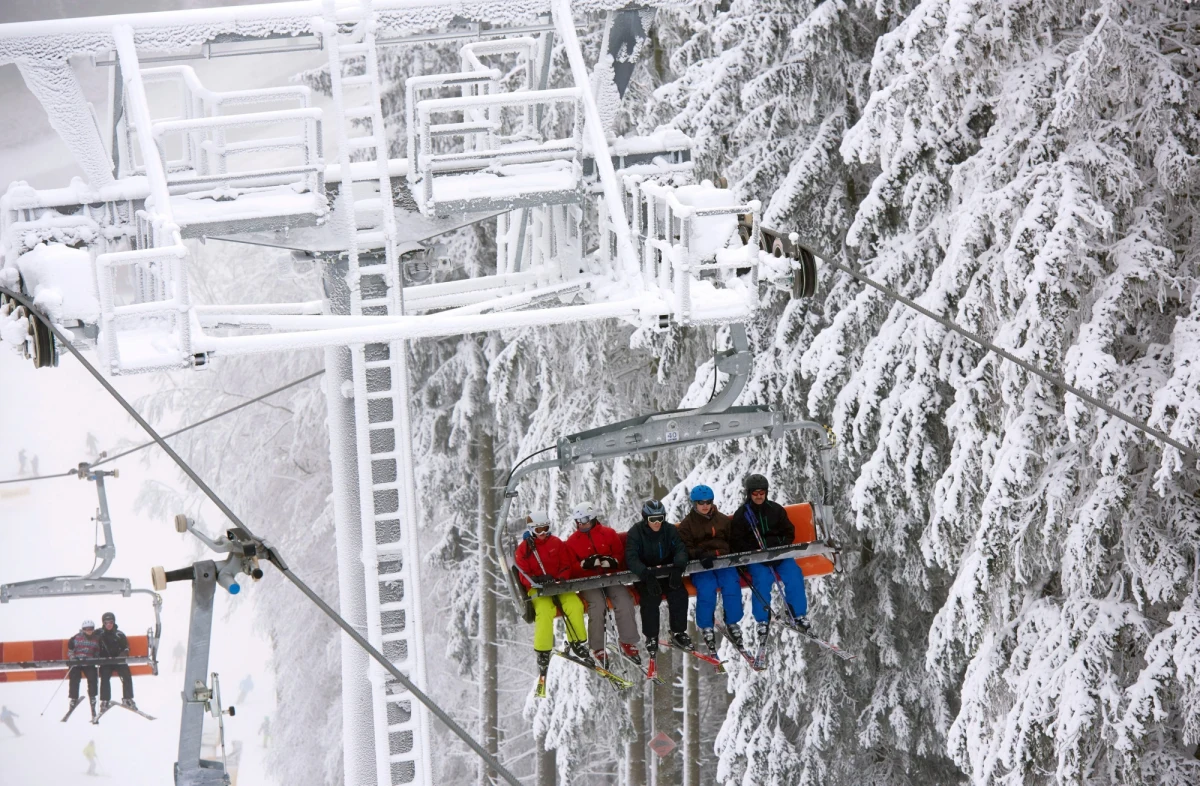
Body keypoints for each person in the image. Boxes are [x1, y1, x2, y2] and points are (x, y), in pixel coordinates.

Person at [730, 473, 809, 645]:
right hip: (757, 558)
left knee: (794, 573)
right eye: (755, 493)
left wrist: (777, 545)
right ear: (749, 494)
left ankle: (797, 613)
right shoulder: (743, 514)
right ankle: (762, 619)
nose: (759, 496)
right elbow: (737, 541)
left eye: (761, 492)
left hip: (779, 554)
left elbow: (789, 532)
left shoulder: (775, 509)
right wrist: (755, 551)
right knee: (762, 579)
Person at [513, 512, 592, 673]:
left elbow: (566, 564)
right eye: (538, 530)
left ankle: (577, 641)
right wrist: (538, 580)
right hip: (538, 588)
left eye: (545, 529)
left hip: (557, 585)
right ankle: (543, 651)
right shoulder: (524, 549)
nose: (542, 533)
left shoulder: (556, 543)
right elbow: (523, 575)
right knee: (544, 610)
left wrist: (561, 577)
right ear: (531, 530)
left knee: (574, 604)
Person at [564, 502, 642, 664]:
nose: (581, 524)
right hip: (588, 582)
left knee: (623, 600)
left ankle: (628, 640)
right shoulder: (572, 542)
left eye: (584, 520)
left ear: (593, 518)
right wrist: (584, 565)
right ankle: (598, 646)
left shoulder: (608, 533)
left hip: (610, 577)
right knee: (597, 605)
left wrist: (612, 562)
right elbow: (570, 568)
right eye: (578, 521)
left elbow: (620, 554)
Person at [676, 485, 746, 654]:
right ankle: (706, 625)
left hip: (722, 561)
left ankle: (732, 621)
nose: (705, 505)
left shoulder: (721, 520)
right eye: (701, 503)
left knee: (731, 583)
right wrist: (699, 554)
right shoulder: (687, 525)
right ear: (694, 504)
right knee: (707, 587)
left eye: (708, 502)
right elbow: (684, 549)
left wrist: (729, 555)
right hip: (701, 565)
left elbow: (732, 542)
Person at [625, 499, 691, 653]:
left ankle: (678, 632)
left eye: (660, 518)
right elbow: (631, 557)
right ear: (645, 519)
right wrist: (645, 575)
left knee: (679, 594)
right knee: (650, 599)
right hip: (646, 575)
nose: (657, 523)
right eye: (653, 519)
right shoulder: (636, 533)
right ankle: (651, 636)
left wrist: (678, 567)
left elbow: (680, 549)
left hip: (668, 573)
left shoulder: (669, 530)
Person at [97, 611, 136, 710]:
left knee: (126, 674)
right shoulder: (99, 634)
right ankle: (105, 700)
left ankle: (127, 698)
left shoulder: (119, 634)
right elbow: (88, 637)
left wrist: (122, 654)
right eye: (106, 623)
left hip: (118, 661)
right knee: (105, 676)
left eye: (111, 622)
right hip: (106, 661)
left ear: (113, 622)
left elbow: (126, 648)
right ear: (103, 623)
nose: (109, 625)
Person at [67, 619, 101, 718]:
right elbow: (70, 650)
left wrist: (96, 658)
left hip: (89, 662)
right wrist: (73, 658)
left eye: (91, 629)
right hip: (77, 661)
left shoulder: (96, 639)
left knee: (93, 677)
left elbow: (97, 651)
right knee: (74, 677)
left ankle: (93, 696)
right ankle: (73, 698)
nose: (89, 631)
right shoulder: (76, 638)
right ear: (83, 630)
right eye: (87, 629)